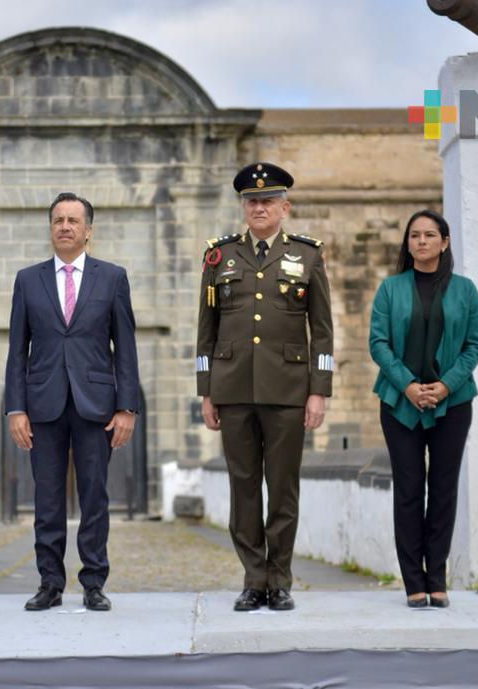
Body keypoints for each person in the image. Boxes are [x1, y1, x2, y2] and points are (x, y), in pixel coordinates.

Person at [196, 163, 334, 612]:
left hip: (288, 390)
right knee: (244, 488)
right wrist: (206, 389)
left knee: (283, 488)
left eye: (268, 201)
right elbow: (206, 331)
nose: (259, 207)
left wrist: (319, 391)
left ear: (284, 207)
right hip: (232, 388)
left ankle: (281, 580)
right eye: (252, 201)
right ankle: (253, 579)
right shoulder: (220, 257)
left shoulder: (308, 256)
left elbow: (323, 332)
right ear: (243, 206)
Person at [4, 192, 139, 612]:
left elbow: (126, 347)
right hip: (42, 405)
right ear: (50, 228)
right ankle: (49, 583)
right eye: (58, 220)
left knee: (95, 496)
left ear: (88, 230)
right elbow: (16, 350)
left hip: (96, 406)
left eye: (73, 220)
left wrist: (127, 407)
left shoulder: (112, 278)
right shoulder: (28, 280)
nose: (65, 226)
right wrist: (15, 408)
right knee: (46, 499)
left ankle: (94, 582)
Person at [369, 209, 478, 609]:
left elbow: (475, 345)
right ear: (408, 243)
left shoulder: (466, 290)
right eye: (414, 235)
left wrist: (445, 385)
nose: (421, 241)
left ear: (445, 242)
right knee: (409, 489)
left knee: (443, 490)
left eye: (430, 235)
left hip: (453, 403)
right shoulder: (390, 289)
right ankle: (413, 582)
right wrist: (409, 386)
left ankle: (438, 578)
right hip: (400, 403)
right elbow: (378, 343)